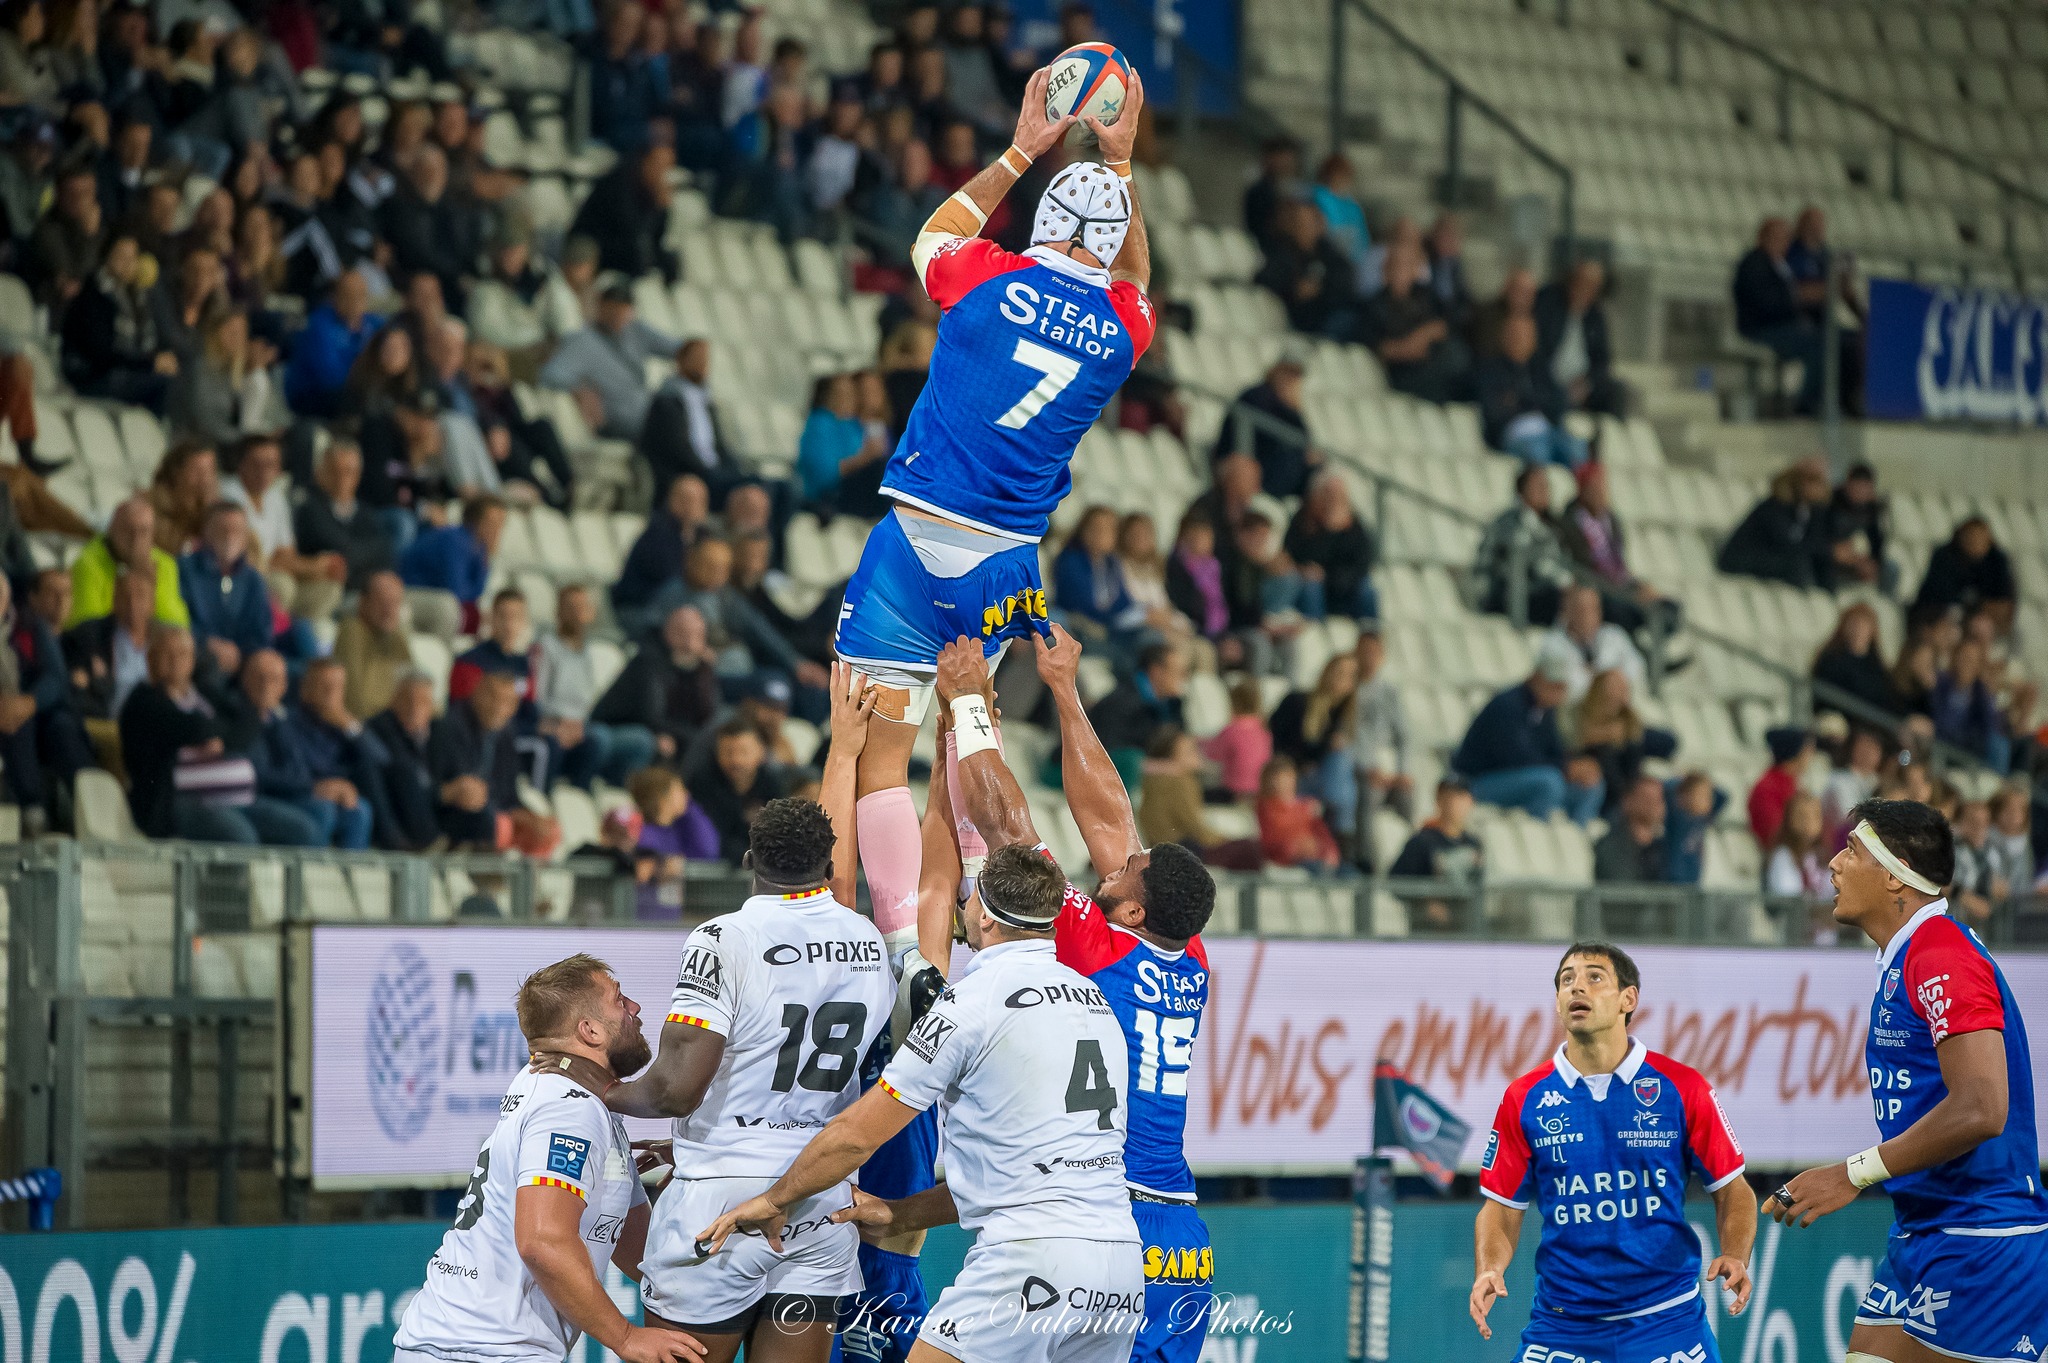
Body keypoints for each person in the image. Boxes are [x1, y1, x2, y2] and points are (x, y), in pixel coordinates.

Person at [831, 66, 1154, 970]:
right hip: (1005, 568)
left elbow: (937, 230)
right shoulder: (1123, 334)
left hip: (913, 542)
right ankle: (976, 927)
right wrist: (1122, 171)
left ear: (1044, 225)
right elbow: (1137, 279)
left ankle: (903, 955)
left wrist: (1024, 147)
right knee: (960, 750)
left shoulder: (980, 277)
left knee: (879, 756)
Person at [917, 626, 1213, 1361]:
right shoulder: (1189, 951)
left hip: (1103, 1216)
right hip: (1181, 1236)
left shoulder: (1097, 944)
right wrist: (1062, 689)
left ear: (1135, 909)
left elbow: (1009, 828)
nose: (1111, 865)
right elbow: (1114, 819)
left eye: (1125, 874)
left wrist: (968, 707)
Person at [534, 798, 892, 1358]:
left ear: (751, 858)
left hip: (721, 1202)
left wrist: (600, 1086)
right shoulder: (869, 942)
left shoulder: (724, 938)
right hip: (818, 1194)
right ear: (829, 864)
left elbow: (676, 1089)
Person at [1768, 800, 2048, 1363]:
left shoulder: (1941, 953)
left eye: (1851, 850)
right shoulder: (1908, 956)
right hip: (1927, 1231)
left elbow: (1983, 1106)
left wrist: (1853, 1174)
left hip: (1981, 1239)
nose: (1834, 865)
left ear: (1895, 874)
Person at [392, 955, 699, 1363]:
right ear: (589, 1030)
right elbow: (542, 1240)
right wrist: (626, 1338)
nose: (635, 1009)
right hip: (479, 1352)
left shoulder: (561, 1087)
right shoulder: (569, 1107)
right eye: (620, 1001)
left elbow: (625, 1234)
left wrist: (698, 1293)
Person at [1472, 943, 1755, 1360]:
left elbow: (1734, 1191)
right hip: (1563, 1326)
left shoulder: (1682, 1087)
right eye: (1566, 980)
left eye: (1593, 977)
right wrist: (1489, 1269)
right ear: (1557, 1002)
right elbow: (1500, 1210)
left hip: (1668, 1322)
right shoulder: (1524, 1097)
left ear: (1629, 999)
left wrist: (1735, 1253)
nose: (1576, 988)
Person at [1452, 653, 1605, 825]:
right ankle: (1536, 836)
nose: (1558, 693)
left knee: (1591, 786)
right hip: (1479, 781)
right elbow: (1516, 758)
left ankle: (1575, 841)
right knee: (1549, 783)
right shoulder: (1507, 705)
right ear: (1537, 677)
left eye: (1562, 688)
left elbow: (1553, 750)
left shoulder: (1545, 711)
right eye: (1554, 685)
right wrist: (1566, 768)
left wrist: (1575, 767)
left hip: (1518, 778)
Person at [538, 281, 679, 442]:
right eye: (614, 309)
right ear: (601, 307)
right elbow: (551, 373)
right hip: (618, 420)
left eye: (624, 311)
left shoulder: (636, 330)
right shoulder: (582, 341)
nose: (620, 316)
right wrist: (579, 389)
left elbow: (681, 351)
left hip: (649, 413)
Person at [592, 604, 722, 765]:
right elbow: (651, 716)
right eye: (683, 634)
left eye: (698, 636)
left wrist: (704, 673)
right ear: (667, 631)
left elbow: (708, 716)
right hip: (618, 729)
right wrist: (690, 738)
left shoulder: (700, 669)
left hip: (657, 731)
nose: (690, 643)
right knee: (661, 744)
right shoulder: (648, 661)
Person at [1360, 234, 1469, 403]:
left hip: (1435, 368)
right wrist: (1410, 346)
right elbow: (1378, 348)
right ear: (1385, 269)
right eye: (1395, 265)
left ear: (1415, 269)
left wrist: (1423, 335)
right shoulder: (1374, 305)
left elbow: (1446, 324)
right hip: (1402, 376)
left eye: (1406, 265)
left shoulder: (1426, 295)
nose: (1399, 271)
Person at [1732, 217, 1826, 414]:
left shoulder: (1781, 265)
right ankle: (1807, 404)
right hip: (1760, 329)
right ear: (1762, 238)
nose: (1782, 243)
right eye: (1777, 237)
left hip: (1780, 326)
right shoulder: (1754, 263)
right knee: (1818, 343)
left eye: (1785, 238)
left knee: (1832, 338)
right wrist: (1797, 297)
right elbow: (1764, 304)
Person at [178, 500, 273, 681]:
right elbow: (179, 621)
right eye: (222, 529)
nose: (230, 536)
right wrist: (208, 643)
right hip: (197, 654)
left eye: (237, 530)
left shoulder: (253, 580)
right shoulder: (185, 569)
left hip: (242, 661)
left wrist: (239, 652)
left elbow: (262, 632)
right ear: (206, 532)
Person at [1474, 313, 1584, 467]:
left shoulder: (1540, 369)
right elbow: (1494, 410)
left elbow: (1558, 400)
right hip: (1515, 434)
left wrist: (1522, 400)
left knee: (1578, 450)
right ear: (1503, 337)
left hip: (1547, 429)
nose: (1520, 340)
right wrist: (1533, 401)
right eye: (1515, 335)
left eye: (1525, 335)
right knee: (1537, 454)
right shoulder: (1490, 370)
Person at [1474, 463, 1575, 626]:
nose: (1544, 490)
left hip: (1546, 589)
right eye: (1538, 485)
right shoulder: (1506, 524)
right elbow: (1495, 564)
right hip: (1511, 592)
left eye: (1546, 485)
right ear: (1522, 490)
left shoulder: (1554, 527)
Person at [1717, 458, 1836, 590]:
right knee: (1798, 564)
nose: (1819, 488)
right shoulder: (1773, 507)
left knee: (1823, 564)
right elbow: (1787, 542)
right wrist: (1830, 551)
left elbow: (1814, 541)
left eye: (1820, 482)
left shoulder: (1809, 512)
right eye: (1811, 481)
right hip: (1742, 560)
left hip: (1770, 559)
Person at [1253, 198, 1359, 340]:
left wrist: (1320, 290)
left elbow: (1345, 282)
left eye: (1309, 222)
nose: (1305, 227)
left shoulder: (1328, 253)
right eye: (1299, 222)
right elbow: (1265, 282)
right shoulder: (1278, 251)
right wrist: (1293, 290)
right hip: (1293, 319)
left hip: (1326, 313)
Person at [1534, 258, 1624, 417]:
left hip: (1581, 384)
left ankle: (1608, 436)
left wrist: (1587, 383)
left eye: (1592, 285)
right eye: (1581, 281)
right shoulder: (1549, 304)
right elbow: (1537, 350)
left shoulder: (1595, 317)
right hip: (1550, 380)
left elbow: (1602, 359)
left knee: (1616, 391)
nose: (1584, 289)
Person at [1390, 778, 1483, 929]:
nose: (1453, 802)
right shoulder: (1422, 841)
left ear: (1470, 801)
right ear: (1438, 800)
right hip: (1431, 932)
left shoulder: (1474, 843)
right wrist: (1424, 902)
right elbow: (1396, 881)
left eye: (1460, 796)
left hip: (1468, 926)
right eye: (1448, 796)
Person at [1283, 475, 1378, 621]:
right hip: (1312, 586)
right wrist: (1327, 532)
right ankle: (1313, 633)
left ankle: (1370, 634)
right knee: (1311, 587)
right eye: (1327, 494)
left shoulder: (1354, 526)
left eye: (1337, 496)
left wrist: (1328, 575)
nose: (1331, 501)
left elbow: (1361, 565)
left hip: (1343, 585)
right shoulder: (1302, 521)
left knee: (1367, 590)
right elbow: (1293, 555)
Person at [1540, 585, 1647, 705]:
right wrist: (1607, 678)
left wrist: (1596, 675)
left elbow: (1636, 669)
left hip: (1617, 709)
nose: (1588, 616)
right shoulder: (1553, 643)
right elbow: (1567, 687)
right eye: (1582, 609)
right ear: (1568, 611)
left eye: (1593, 609)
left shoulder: (1615, 635)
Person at [1914, 516, 2017, 636]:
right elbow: (1935, 598)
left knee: (1982, 627)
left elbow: (2002, 603)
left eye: (1980, 538)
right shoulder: (1944, 557)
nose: (1974, 542)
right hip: (1941, 617)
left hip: (1980, 621)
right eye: (1970, 537)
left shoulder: (1997, 562)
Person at [1256, 754, 1344, 875]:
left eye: (1287, 777)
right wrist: (1296, 847)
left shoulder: (1306, 807)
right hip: (1290, 863)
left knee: (1351, 874)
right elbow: (1269, 841)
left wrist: (1330, 851)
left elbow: (1322, 833)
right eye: (1278, 778)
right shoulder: (1265, 809)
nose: (1282, 782)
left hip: (1317, 858)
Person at [1813, 602, 1901, 719]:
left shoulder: (1878, 668)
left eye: (1864, 626)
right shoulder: (1831, 661)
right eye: (1854, 625)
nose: (1859, 630)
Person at [1201, 676, 1272, 802]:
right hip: (1258, 792)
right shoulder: (1263, 732)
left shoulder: (1232, 731)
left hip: (1233, 793)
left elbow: (1211, 754)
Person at [1592, 774, 1668, 884]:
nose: (1654, 804)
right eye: (1646, 798)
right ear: (1626, 801)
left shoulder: (1664, 847)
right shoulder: (1609, 847)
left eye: (1659, 798)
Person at [1748, 726, 1812, 847]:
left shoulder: (1793, 783)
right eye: (1806, 751)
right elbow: (1774, 834)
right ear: (1795, 753)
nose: (1810, 757)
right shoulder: (1767, 788)